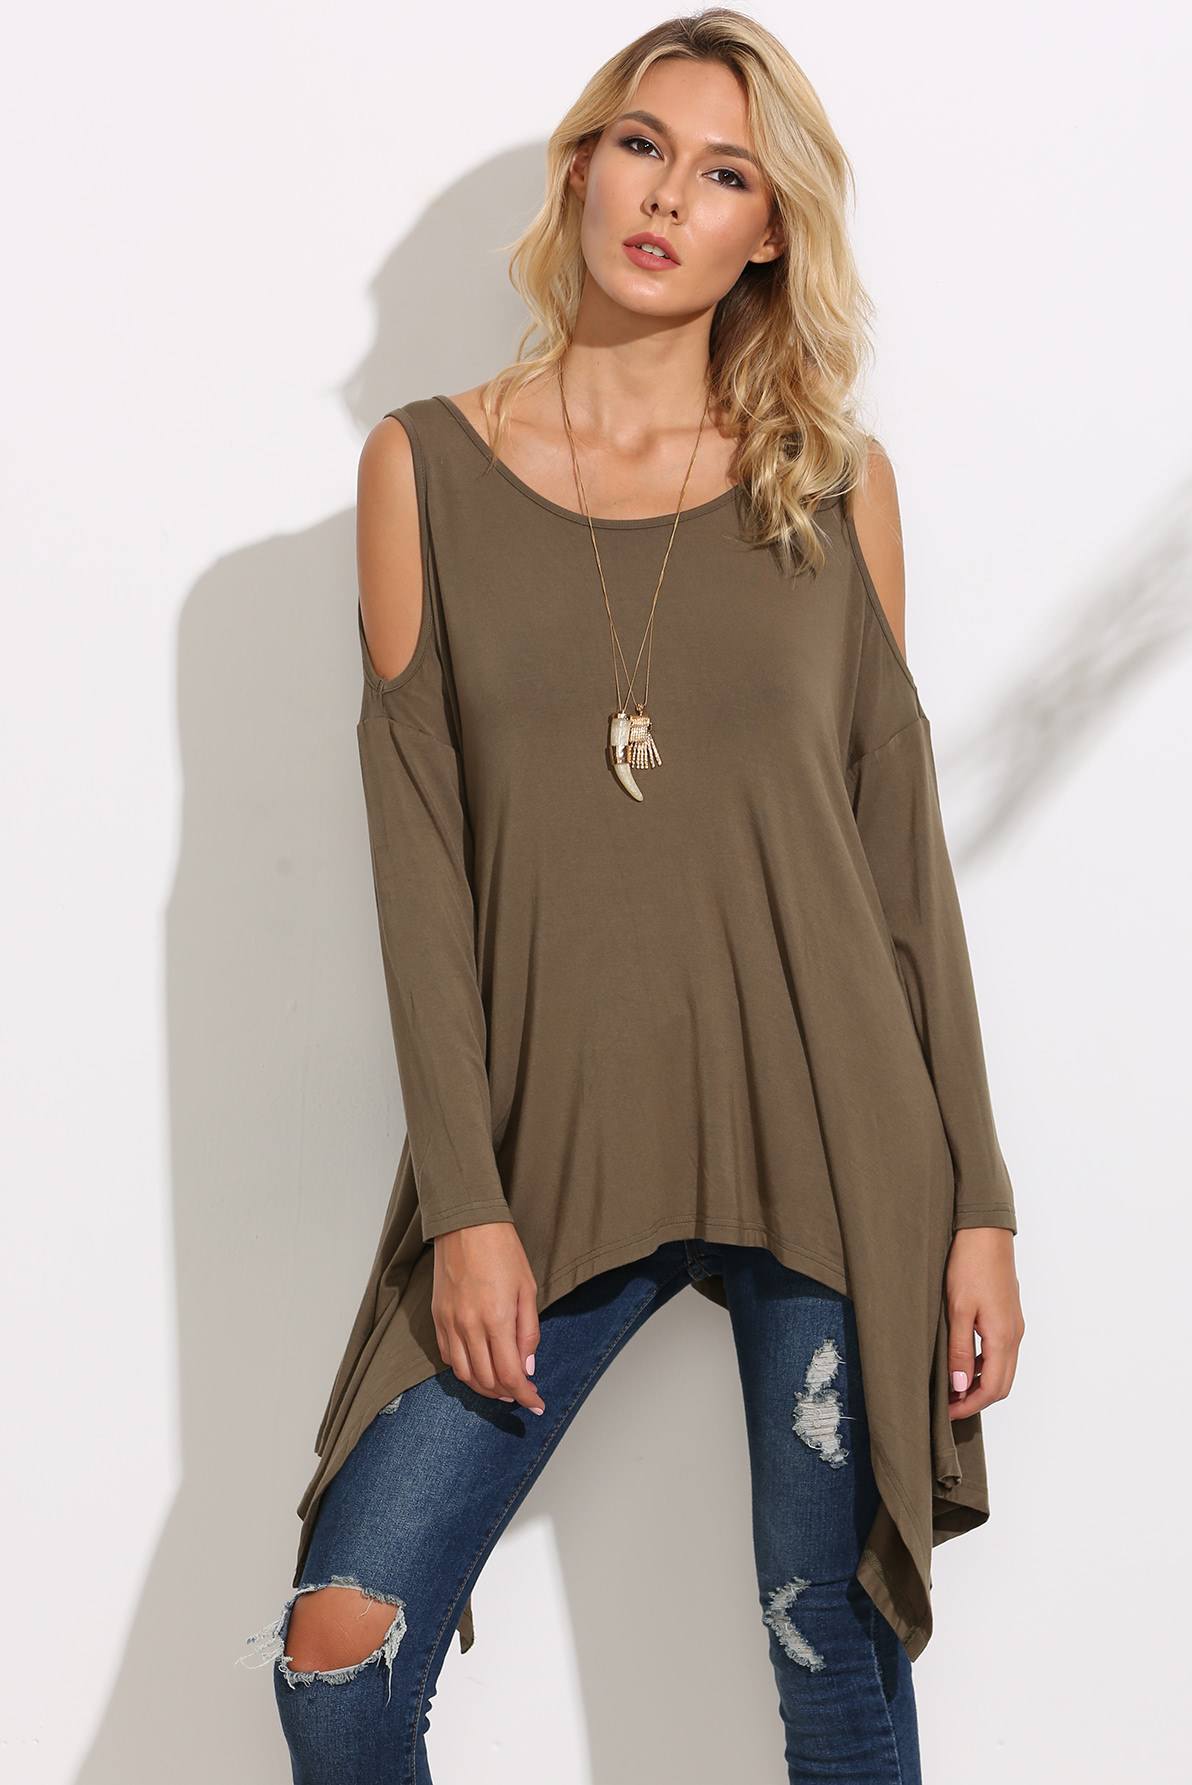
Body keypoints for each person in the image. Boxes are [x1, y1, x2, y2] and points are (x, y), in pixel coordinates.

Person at [238, 11, 1025, 1781]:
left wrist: (978, 1201)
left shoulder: (832, 489)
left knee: (828, 1654)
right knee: (340, 1647)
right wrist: (467, 1204)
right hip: (551, 1146)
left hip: (831, 1136)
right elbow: (420, 868)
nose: (670, 197)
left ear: (770, 234)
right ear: (584, 167)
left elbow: (900, 855)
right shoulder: (423, 468)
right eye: (645, 146)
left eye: (725, 173)